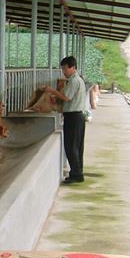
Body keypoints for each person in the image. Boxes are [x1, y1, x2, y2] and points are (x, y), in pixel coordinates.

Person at [40, 56, 86, 184]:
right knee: (77, 146)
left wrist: (51, 91)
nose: (63, 72)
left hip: (74, 117)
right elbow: (65, 97)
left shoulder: (74, 81)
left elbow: (66, 97)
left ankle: (76, 174)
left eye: (65, 69)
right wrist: (57, 98)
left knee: (71, 146)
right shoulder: (75, 80)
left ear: (72, 67)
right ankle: (77, 172)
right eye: (62, 69)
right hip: (77, 116)